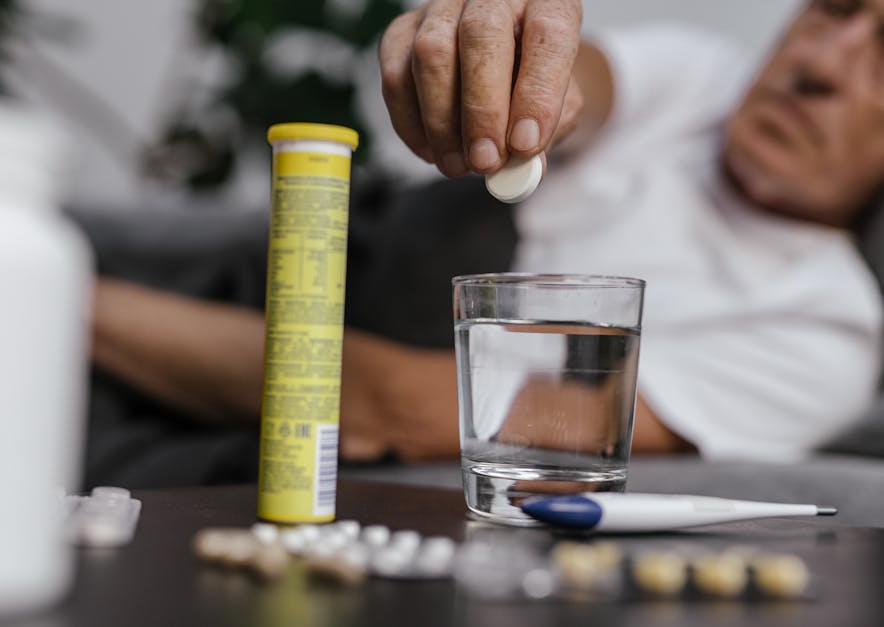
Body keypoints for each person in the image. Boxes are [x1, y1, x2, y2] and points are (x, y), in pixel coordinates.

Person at [87, 0, 884, 485]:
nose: (820, 62)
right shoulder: (703, 80)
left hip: (268, 408)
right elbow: (575, 87)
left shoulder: (828, 330)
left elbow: (403, 408)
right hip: (249, 275)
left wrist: (62, 302)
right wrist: (514, 58)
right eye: (835, 6)